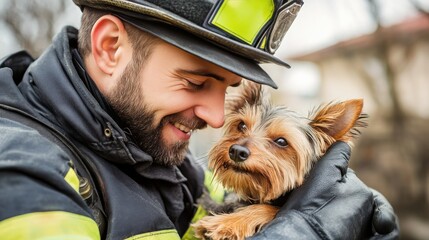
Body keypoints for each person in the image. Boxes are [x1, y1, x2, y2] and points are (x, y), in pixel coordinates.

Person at [0, 0, 399, 239]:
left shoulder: (171, 164)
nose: (214, 115)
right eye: (195, 83)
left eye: (225, 89)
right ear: (110, 47)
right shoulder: (25, 178)